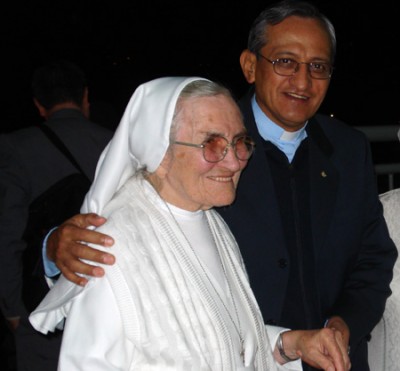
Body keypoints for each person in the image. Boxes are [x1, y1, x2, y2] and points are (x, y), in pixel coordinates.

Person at [41, 1, 398, 370]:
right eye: (286, 61)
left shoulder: (348, 149)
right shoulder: (198, 139)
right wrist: (54, 249)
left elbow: (373, 258)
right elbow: (114, 224)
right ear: (249, 65)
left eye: (318, 67)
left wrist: (342, 325)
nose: (303, 81)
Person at [29, 76, 351, 370]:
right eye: (212, 144)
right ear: (160, 152)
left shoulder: (210, 220)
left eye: (240, 142)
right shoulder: (111, 249)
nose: (235, 161)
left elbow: (217, 344)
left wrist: (290, 343)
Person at [0, 60, 113, 371]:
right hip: (111, 304)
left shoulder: (15, 147)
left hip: (46, 313)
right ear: (85, 97)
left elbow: (7, 236)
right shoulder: (116, 143)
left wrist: (13, 309)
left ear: (39, 105)